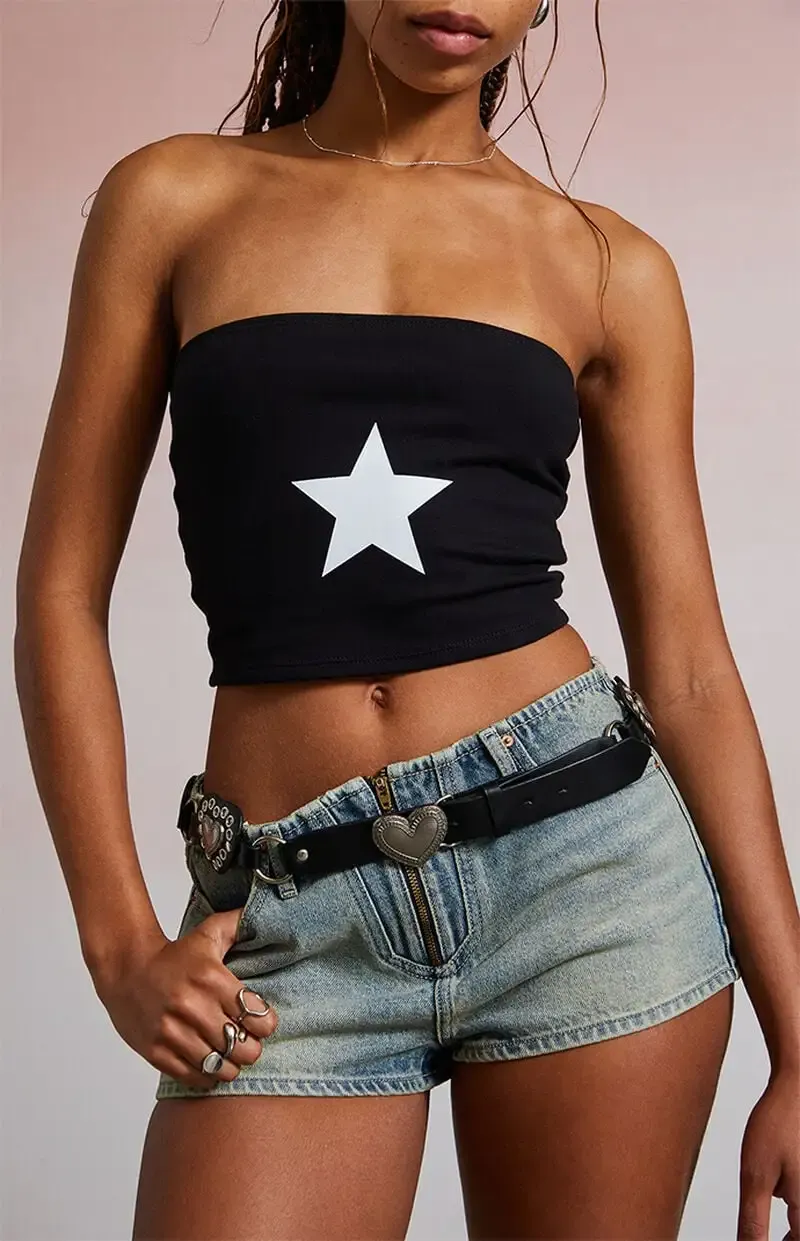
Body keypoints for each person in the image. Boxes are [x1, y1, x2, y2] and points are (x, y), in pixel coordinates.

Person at [14, 0, 799, 1237]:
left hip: (585, 882)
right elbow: (60, 592)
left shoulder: (606, 264)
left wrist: (798, 1039)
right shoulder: (172, 201)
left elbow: (689, 667)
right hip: (292, 907)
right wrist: (117, 943)